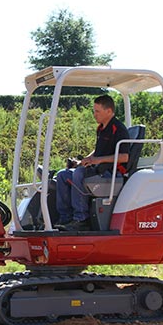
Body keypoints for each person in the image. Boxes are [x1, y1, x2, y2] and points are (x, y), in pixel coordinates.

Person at [55, 94, 130, 231]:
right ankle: (65, 218)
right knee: (62, 175)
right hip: (98, 169)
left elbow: (124, 157)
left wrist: (98, 160)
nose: (94, 114)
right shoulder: (101, 128)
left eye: (97, 111)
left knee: (79, 174)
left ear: (108, 111)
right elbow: (97, 151)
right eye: (94, 111)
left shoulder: (118, 129)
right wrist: (84, 161)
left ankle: (81, 219)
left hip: (110, 173)